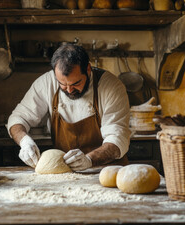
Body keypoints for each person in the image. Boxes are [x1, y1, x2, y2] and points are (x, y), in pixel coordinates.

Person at [7, 43, 131, 171]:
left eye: (76, 83)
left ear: (88, 69)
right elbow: (18, 118)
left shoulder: (111, 87)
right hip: (67, 172)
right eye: (62, 84)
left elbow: (117, 138)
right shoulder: (46, 83)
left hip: (108, 170)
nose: (69, 90)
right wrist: (24, 141)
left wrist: (89, 160)